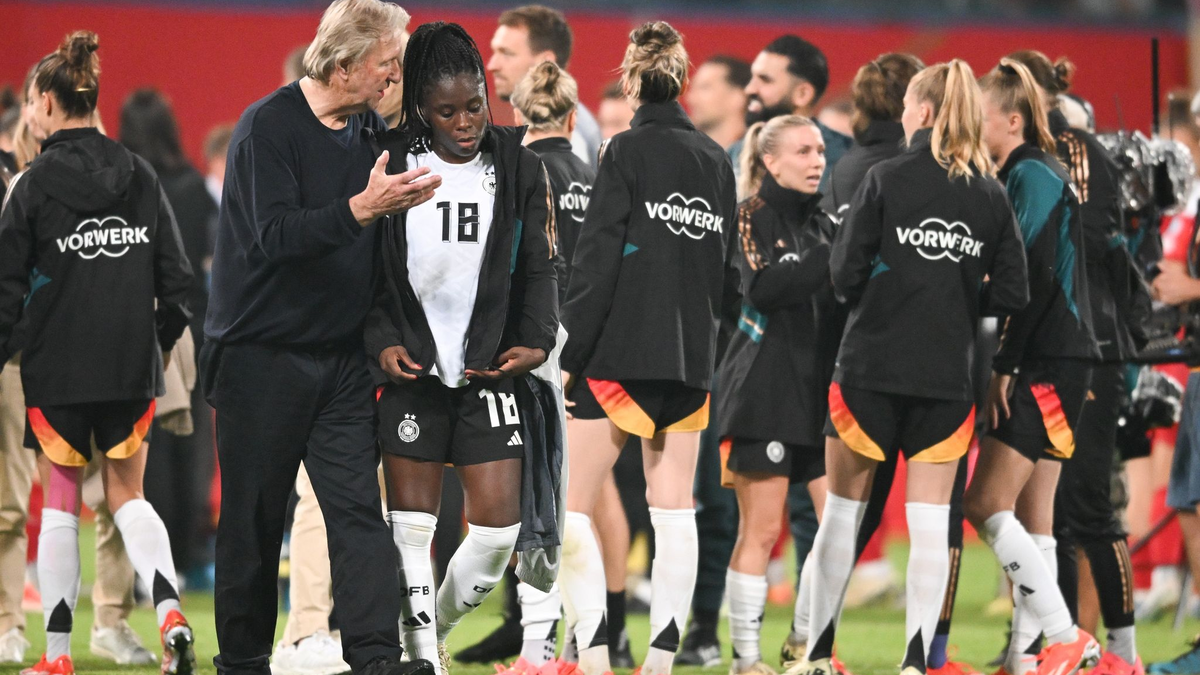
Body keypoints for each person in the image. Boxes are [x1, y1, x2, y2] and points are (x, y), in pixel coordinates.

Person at [202, 0, 440, 673]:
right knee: (253, 520)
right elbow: (274, 238)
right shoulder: (266, 129)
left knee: (358, 511)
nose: (394, 75)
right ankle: (243, 661)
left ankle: (377, 658)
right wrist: (362, 208)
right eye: (385, 63)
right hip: (259, 357)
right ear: (342, 67)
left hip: (339, 360)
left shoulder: (369, 131)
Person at [801, 59, 1028, 675]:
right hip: (946, 379)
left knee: (841, 516)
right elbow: (1013, 292)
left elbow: (844, 274)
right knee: (929, 524)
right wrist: (954, 292)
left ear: (923, 111)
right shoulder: (989, 193)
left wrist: (893, 288)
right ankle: (914, 663)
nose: (902, 116)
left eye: (906, 107)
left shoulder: (885, 177)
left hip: (869, 370)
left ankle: (816, 655)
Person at [0, 31, 199, 675]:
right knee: (128, 497)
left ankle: (57, 656)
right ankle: (170, 613)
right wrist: (151, 346)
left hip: (56, 372)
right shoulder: (140, 174)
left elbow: (5, 293)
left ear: (44, 102)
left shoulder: (30, 186)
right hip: (129, 368)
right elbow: (179, 284)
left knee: (61, 502)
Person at [367, 20, 558, 675]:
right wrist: (382, 340)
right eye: (447, 111)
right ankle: (422, 659)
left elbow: (541, 264)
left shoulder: (519, 164)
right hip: (413, 371)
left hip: (489, 371)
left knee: (498, 534)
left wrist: (536, 340)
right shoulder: (390, 161)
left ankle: (431, 629)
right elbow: (367, 271)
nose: (466, 122)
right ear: (422, 106)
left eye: (474, 105)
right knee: (411, 530)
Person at [557, 21, 736, 675]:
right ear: (681, 79)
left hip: (620, 356)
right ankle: (660, 660)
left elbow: (596, 260)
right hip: (691, 359)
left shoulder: (624, 151)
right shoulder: (715, 158)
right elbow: (729, 271)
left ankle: (595, 656)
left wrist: (570, 353)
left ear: (631, 81)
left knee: (568, 510)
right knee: (675, 509)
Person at [1004, 49, 1146, 675]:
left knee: (1087, 502)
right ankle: (1044, 646)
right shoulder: (1026, 158)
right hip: (1048, 342)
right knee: (1045, 513)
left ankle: (1122, 652)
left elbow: (1079, 245)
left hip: (1088, 344)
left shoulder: (1072, 152)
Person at [962, 58, 1101, 675]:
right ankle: (1027, 659)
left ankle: (1067, 636)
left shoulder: (1033, 175)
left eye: (981, 115)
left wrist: (1004, 364)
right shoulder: (1028, 172)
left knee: (985, 502)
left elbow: (1033, 280)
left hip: (1047, 360)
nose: (972, 125)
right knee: (1032, 514)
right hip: (1061, 357)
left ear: (1012, 120)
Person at [717, 114, 838, 675]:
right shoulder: (748, 217)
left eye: (821, 150)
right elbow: (763, 288)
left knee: (836, 531)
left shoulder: (829, 225)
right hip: (762, 394)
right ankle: (747, 659)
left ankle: (807, 647)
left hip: (821, 399)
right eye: (803, 151)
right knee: (762, 531)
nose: (817, 161)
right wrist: (834, 256)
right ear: (771, 160)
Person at [488, 4, 601, 167]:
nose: (492, 65)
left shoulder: (565, 132)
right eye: (495, 52)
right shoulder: (556, 123)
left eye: (507, 53)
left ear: (545, 62)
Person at [737, 35, 852, 191]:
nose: (749, 89)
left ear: (802, 94)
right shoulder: (733, 155)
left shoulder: (847, 162)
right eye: (753, 77)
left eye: (765, 80)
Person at [685, 56, 751, 150]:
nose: (690, 99)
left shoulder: (760, 155)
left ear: (737, 97)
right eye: (693, 88)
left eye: (704, 87)